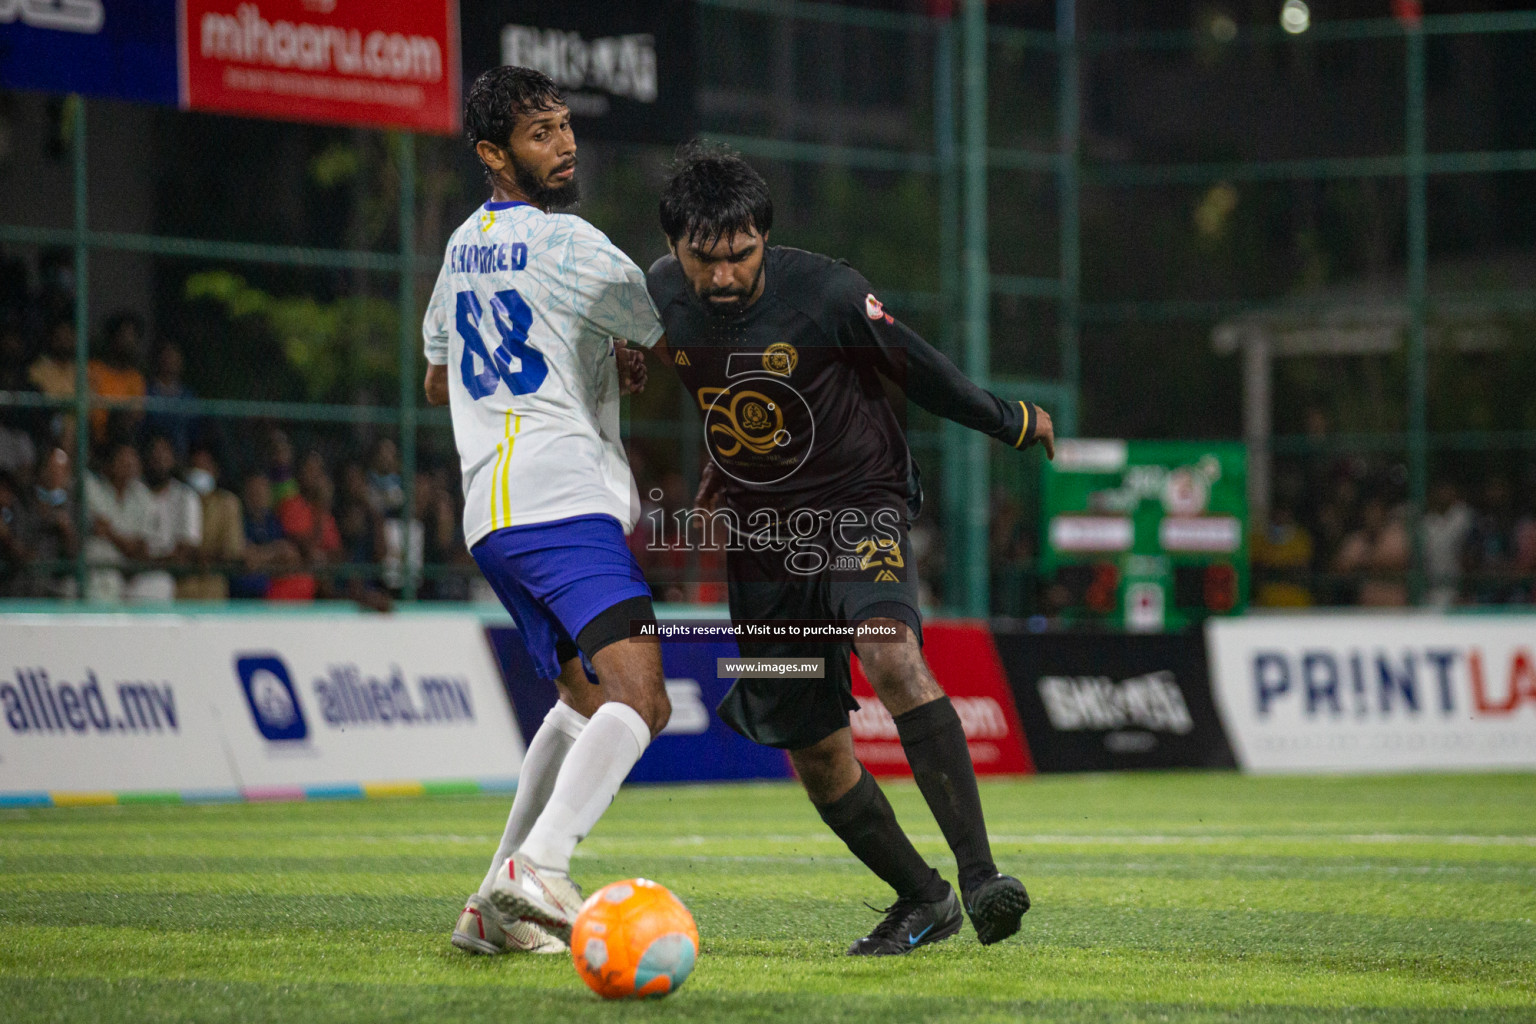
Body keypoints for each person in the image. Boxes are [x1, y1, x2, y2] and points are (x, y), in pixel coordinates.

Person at [643, 143, 1054, 955]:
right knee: (817, 753)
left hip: (856, 507)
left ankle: (980, 880)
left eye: (740, 257)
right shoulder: (656, 293)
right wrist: (724, 464)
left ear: (764, 236)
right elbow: (707, 377)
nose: (722, 278)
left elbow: (919, 369)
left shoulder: (827, 291)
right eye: (704, 260)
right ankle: (923, 899)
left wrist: (1006, 417)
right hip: (762, 542)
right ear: (675, 249)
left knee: (890, 652)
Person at [427, 66, 670, 958]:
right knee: (643, 697)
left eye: (565, 126)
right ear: (493, 153)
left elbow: (436, 369)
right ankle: (541, 866)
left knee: (579, 696)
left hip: (491, 515)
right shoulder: (570, 244)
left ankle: (487, 909)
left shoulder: (460, 248)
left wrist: (590, 349)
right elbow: (670, 324)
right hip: (563, 498)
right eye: (539, 133)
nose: (563, 144)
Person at [177, 445, 245, 601]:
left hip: (213, 590)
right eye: (196, 467)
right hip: (180, 589)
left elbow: (232, 550)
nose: (200, 473)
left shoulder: (228, 503)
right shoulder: (178, 500)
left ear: (215, 471)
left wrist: (205, 555)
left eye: (205, 467)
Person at [87, 312, 147, 444]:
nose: (129, 342)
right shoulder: (94, 369)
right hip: (95, 438)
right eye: (124, 336)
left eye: (133, 337)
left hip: (125, 440)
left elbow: (137, 416)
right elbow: (90, 412)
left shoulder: (136, 378)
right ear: (113, 338)